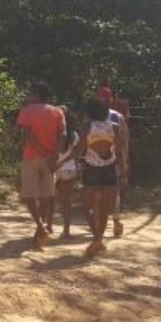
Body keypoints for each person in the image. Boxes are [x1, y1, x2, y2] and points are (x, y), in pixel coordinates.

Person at [71, 96, 128, 258]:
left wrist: (73, 161)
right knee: (105, 208)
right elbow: (120, 149)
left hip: (91, 169)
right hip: (110, 168)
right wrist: (123, 168)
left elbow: (81, 147)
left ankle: (96, 238)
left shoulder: (87, 126)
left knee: (86, 206)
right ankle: (99, 239)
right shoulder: (115, 127)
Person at [15, 81, 66, 250]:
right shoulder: (58, 112)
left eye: (30, 93)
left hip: (31, 157)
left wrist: (43, 152)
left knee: (30, 196)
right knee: (46, 196)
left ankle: (41, 227)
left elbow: (28, 137)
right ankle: (41, 230)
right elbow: (62, 136)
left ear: (36, 94)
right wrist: (54, 155)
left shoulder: (27, 111)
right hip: (51, 159)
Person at [96, 86, 131, 237]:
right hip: (111, 159)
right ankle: (115, 221)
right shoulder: (117, 116)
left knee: (98, 192)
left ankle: (101, 224)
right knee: (112, 192)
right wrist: (124, 160)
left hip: (97, 160)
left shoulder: (92, 116)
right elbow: (124, 140)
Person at [53, 106, 81, 239]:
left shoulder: (52, 132)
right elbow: (74, 154)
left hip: (54, 168)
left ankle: (48, 226)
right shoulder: (74, 134)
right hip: (69, 169)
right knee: (67, 201)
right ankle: (66, 229)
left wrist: (57, 163)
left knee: (50, 199)